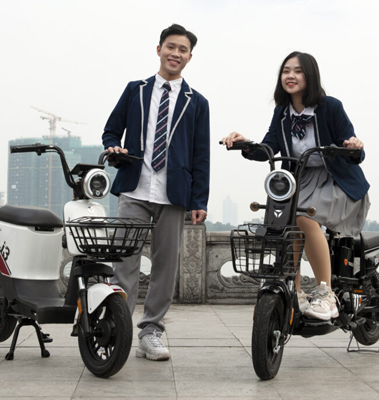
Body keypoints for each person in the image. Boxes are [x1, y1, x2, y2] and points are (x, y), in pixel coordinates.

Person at [221, 51, 369, 321]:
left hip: (336, 179)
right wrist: (245, 144)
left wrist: (353, 145)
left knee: (303, 218)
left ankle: (326, 293)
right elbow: (269, 147)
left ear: (310, 76)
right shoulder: (282, 112)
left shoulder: (331, 107)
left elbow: (353, 149)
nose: (290, 76)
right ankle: (295, 291)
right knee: (286, 225)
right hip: (300, 180)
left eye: (298, 71)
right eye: (286, 71)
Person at [102, 24, 210, 361]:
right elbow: (110, 131)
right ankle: (118, 328)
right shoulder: (135, 90)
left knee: (165, 267)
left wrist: (199, 200)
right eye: (171, 47)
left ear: (190, 57)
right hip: (134, 189)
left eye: (183, 50)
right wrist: (113, 147)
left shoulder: (197, 102)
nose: (175, 54)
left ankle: (151, 332)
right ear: (159, 49)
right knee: (124, 263)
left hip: (173, 194)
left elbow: (201, 154)